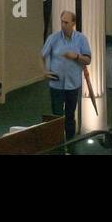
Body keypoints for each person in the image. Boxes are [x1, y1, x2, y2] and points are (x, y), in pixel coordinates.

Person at [41, 10, 92, 141]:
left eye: (66, 22)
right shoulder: (53, 38)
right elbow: (42, 55)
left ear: (73, 23)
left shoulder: (81, 39)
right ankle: (57, 145)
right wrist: (45, 71)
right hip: (56, 84)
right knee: (56, 117)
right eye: (62, 22)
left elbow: (88, 60)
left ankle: (70, 143)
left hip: (73, 84)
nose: (63, 25)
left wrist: (76, 56)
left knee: (70, 116)